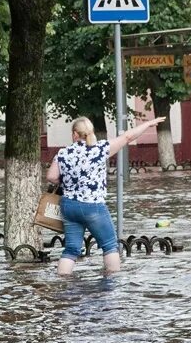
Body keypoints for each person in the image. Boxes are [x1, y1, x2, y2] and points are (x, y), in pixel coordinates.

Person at [46, 115, 166, 276]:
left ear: (75, 134)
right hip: (93, 207)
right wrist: (149, 124)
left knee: (71, 249)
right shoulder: (100, 149)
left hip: (69, 206)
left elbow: (51, 177)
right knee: (109, 245)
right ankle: (111, 285)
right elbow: (128, 136)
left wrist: (68, 181)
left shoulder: (63, 153)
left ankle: (63, 283)